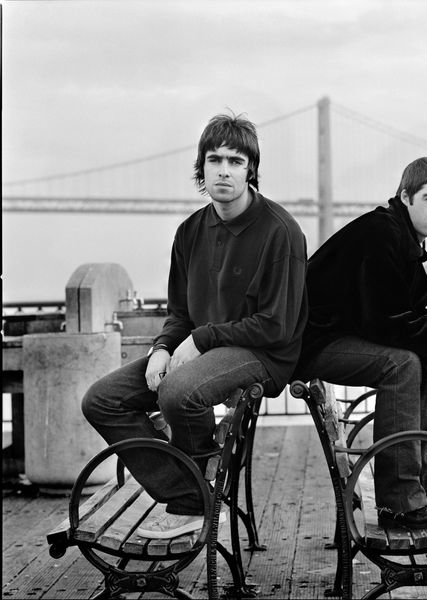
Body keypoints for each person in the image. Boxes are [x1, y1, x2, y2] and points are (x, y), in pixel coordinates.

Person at [82, 113, 308, 539]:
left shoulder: (281, 233)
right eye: (214, 159)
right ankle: (192, 489)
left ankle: (191, 501)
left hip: (266, 355)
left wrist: (201, 340)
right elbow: (180, 313)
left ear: (251, 170)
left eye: (236, 161)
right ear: (201, 168)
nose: (224, 169)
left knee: (178, 393)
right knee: (102, 400)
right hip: (201, 350)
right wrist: (164, 348)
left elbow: (278, 326)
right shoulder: (189, 232)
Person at [294, 157, 427, 528]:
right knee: (403, 363)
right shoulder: (381, 235)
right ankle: (399, 500)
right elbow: (388, 324)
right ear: (406, 196)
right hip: (312, 342)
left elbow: (405, 320)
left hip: (342, 334)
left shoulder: (401, 237)